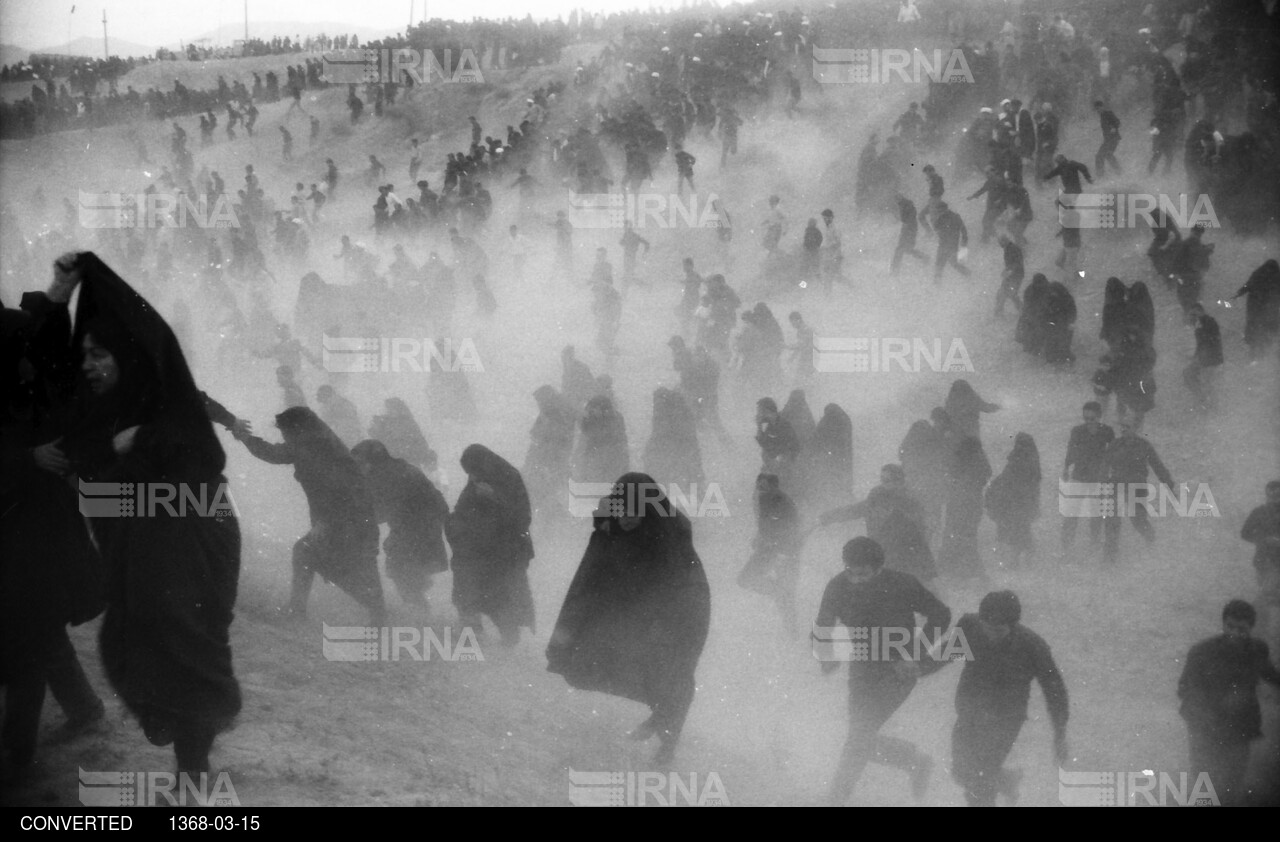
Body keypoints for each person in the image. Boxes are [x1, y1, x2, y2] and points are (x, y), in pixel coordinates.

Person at [49, 252, 241, 774]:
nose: (87, 365)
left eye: (98, 354)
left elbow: (203, 458)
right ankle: (183, 739)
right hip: (145, 543)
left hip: (191, 538)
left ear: (127, 357)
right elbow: (52, 384)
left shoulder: (165, 405)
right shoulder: (104, 407)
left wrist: (145, 441)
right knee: (137, 643)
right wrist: (58, 299)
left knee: (182, 643)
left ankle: (193, 773)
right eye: (83, 354)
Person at [547, 474, 711, 766]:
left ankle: (667, 742)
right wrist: (609, 521)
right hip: (648, 610)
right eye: (622, 505)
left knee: (671, 673)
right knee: (644, 667)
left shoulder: (668, 528)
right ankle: (660, 718)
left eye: (631, 507)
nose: (626, 514)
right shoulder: (628, 518)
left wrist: (654, 618)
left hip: (681, 612)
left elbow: (669, 578)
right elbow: (605, 533)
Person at [816, 537, 951, 805]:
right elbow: (823, 625)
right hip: (863, 669)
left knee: (859, 737)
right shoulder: (838, 586)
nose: (856, 579)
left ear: (878, 569)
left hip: (898, 671)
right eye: (850, 572)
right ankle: (913, 760)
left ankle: (835, 799)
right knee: (860, 736)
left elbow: (940, 615)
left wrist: (914, 654)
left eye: (863, 573)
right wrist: (826, 657)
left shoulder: (902, 584)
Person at [236, 406, 385, 623]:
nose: (284, 437)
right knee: (339, 562)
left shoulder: (312, 445)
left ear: (296, 428)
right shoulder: (317, 441)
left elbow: (336, 488)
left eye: (285, 431)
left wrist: (326, 521)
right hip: (354, 518)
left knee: (313, 556)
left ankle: (299, 613)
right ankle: (376, 610)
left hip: (345, 518)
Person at [931, 591, 1069, 806]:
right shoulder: (971, 627)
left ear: (1013, 626)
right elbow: (946, 654)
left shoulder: (1033, 647)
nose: (990, 634)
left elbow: (1055, 690)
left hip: (1005, 719)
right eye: (986, 627)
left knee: (979, 780)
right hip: (970, 712)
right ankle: (1006, 780)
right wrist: (916, 667)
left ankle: (992, 787)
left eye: (998, 630)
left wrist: (1059, 732)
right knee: (961, 773)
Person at [1178, 600, 1280, 806]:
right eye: (1230, 626)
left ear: (1251, 629)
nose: (1234, 633)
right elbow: (1185, 688)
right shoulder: (1201, 652)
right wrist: (1210, 710)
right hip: (1204, 726)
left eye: (1241, 629)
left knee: (1233, 780)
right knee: (1204, 779)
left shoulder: (1256, 650)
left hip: (1239, 726)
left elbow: (1271, 675)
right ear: (1223, 624)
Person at [446, 445, 536, 646]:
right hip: (476, 548)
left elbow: (521, 518)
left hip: (504, 550)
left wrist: (494, 498)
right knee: (466, 590)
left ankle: (509, 638)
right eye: (470, 473)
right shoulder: (479, 477)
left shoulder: (509, 477)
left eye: (474, 472)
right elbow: (463, 508)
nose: (473, 477)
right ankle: (471, 631)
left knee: (498, 596)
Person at [351, 439, 449, 612]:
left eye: (361, 463)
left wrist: (360, 520)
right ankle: (418, 603)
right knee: (404, 565)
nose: (359, 469)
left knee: (401, 566)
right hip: (420, 524)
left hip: (418, 526)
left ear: (372, 461)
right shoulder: (395, 470)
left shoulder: (389, 476)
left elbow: (384, 508)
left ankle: (419, 608)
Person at [817, 464, 936, 581]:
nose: (885, 484)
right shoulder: (876, 499)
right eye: (883, 479)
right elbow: (854, 510)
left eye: (890, 480)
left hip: (908, 561)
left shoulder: (911, 503)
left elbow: (923, 533)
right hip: (882, 558)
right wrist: (828, 517)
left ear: (900, 481)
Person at [1099, 415, 1174, 564]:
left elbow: (1157, 466)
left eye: (1128, 427)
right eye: (1122, 427)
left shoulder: (1143, 445)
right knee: (1112, 522)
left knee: (1138, 520)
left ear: (1136, 429)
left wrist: (1169, 484)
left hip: (1136, 488)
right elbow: (1104, 465)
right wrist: (1102, 486)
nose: (1124, 430)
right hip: (1117, 486)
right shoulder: (1115, 444)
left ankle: (1150, 539)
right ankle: (1109, 558)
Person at [738, 473, 803, 635]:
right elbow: (768, 525)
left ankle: (791, 632)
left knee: (749, 579)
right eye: (759, 486)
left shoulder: (778, 500)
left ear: (774, 486)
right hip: (772, 549)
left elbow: (789, 527)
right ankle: (780, 595)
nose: (760, 489)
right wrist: (760, 538)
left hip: (783, 551)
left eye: (764, 486)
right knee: (746, 579)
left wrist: (778, 546)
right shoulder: (765, 500)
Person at [1060, 401, 1114, 553]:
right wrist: (1066, 467)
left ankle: (1094, 542)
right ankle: (1067, 545)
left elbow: (1112, 452)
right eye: (1086, 418)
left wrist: (1109, 470)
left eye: (1092, 418)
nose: (1089, 422)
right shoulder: (1077, 431)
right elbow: (1071, 449)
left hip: (1098, 478)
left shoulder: (1107, 431)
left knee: (1096, 513)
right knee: (1071, 513)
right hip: (1079, 476)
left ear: (1099, 417)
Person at [985, 433, 1042, 568]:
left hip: (1018, 501)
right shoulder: (1026, 459)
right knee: (1020, 529)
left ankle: (1017, 559)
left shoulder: (1021, 459)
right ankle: (1021, 557)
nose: (1021, 448)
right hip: (1018, 501)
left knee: (1017, 529)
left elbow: (1011, 478)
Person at [940, 437, 992, 580]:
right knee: (968, 536)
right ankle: (970, 570)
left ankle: (952, 569)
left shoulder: (958, 459)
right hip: (973, 502)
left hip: (957, 502)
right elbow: (987, 473)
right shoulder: (980, 460)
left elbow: (950, 476)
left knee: (954, 534)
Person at [523, 386, 576, 521]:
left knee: (548, 494)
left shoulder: (557, 416)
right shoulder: (548, 414)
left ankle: (554, 523)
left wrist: (544, 461)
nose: (539, 404)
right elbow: (536, 437)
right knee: (543, 494)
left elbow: (555, 441)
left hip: (550, 462)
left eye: (540, 401)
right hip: (543, 461)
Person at [642, 387, 704, 490]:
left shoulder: (672, 411)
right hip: (678, 448)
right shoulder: (669, 408)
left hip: (678, 447)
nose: (655, 405)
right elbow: (658, 433)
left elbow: (661, 432)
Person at [573, 395, 629, 484]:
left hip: (609, 462)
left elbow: (600, 436)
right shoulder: (594, 419)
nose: (591, 412)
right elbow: (585, 432)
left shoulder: (613, 420)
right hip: (599, 463)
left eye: (593, 409)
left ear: (601, 408)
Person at [1234, 259, 1280, 361]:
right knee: (1267, 329)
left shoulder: (1258, 274)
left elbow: (1248, 285)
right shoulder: (1277, 277)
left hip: (1255, 306)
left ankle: (1253, 353)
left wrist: (1239, 293)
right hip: (1269, 308)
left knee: (1254, 327)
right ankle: (1263, 353)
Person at [1183, 304, 1223, 409]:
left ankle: (1209, 405)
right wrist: (1196, 356)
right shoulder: (1202, 323)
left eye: (1194, 314)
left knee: (1207, 382)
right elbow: (1203, 343)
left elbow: (1208, 341)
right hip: (1207, 358)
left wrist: (1199, 356)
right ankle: (1202, 400)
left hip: (1211, 359)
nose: (1192, 316)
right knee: (1189, 375)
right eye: (1191, 314)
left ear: (1201, 312)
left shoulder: (1207, 322)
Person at [1241, 481, 1280, 588]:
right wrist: (1264, 540)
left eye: (1277, 494)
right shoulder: (1259, 512)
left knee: (1269, 594)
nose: (1275, 498)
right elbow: (1245, 533)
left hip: (1265, 559)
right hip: (1265, 559)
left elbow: (1245, 533)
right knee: (1268, 593)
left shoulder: (1259, 512)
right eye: (1272, 494)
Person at [932, 202, 970, 284]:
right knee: (940, 262)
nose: (939, 212)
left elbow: (963, 229)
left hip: (951, 244)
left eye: (940, 210)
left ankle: (968, 274)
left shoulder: (955, 217)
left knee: (951, 263)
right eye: (938, 211)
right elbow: (935, 227)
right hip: (944, 243)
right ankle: (937, 282)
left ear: (945, 209)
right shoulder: (942, 217)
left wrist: (964, 239)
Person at [890, 193, 928, 274]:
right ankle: (924, 257)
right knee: (907, 249)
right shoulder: (905, 205)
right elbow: (906, 218)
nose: (896, 201)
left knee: (901, 249)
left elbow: (908, 219)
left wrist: (906, 226)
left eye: (896, 199)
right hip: (909, 230)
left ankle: (894, 270)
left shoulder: (906, 205)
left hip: (909, 230)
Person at [315, 383, 363, 447]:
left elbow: (327, 424)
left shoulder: (335, 405)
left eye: (322, 397)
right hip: (351, 437)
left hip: (345, 438)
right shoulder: (340, 403)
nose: (322, 403)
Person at [995, 235, 1024, 316]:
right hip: (1013, 275)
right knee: (1004, 292)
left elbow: (1017, 262)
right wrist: (1007, 270)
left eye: (1000, 243)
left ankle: (1022, 310)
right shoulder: (1009, 248)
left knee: (1010, 293)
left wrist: (1010, 270)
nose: (1000, 245)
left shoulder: (1013, 249)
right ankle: (999, 310)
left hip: (1016, 276)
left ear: (1004, 241)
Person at [1093, 100, 1122, 177]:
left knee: (1102, 155)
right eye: (1096, 109)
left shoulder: (1108, 113)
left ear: (1102, 107)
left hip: (1113, 139)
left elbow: (1118, 122)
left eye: (1099, 108)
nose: (1098, 111)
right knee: (1106, 155)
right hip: (1108, 140)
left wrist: (1114, 127)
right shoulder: (1102, 116)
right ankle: (1118, 171)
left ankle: (1101, 175)